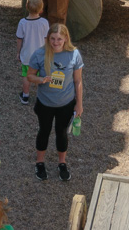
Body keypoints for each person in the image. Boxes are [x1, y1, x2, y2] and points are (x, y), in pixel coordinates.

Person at [27, 23, 83, 182]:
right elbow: (29, 76)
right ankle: (39, 162)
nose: (56, 42)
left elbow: (78, 81)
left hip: (65, 104)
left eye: (59, 39)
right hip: (45, 103)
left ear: (65, 39)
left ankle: (62, 163)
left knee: (62, 133)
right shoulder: (39, 54)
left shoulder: (74, 54)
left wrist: (79, 104)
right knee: (44, 131)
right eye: (52, 38)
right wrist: (40, 79)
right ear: (47, 39)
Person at [16, 0, 49, 105]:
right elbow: (46, 38)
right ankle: (41, 97)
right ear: (41, 9)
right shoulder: (44, 22)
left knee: (26, 75)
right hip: (40, 56)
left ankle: (25, 96)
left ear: (26, 6)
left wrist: (18, 52)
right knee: (40, 77)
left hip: (27, 55)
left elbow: (19, 39)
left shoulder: (22, 23)